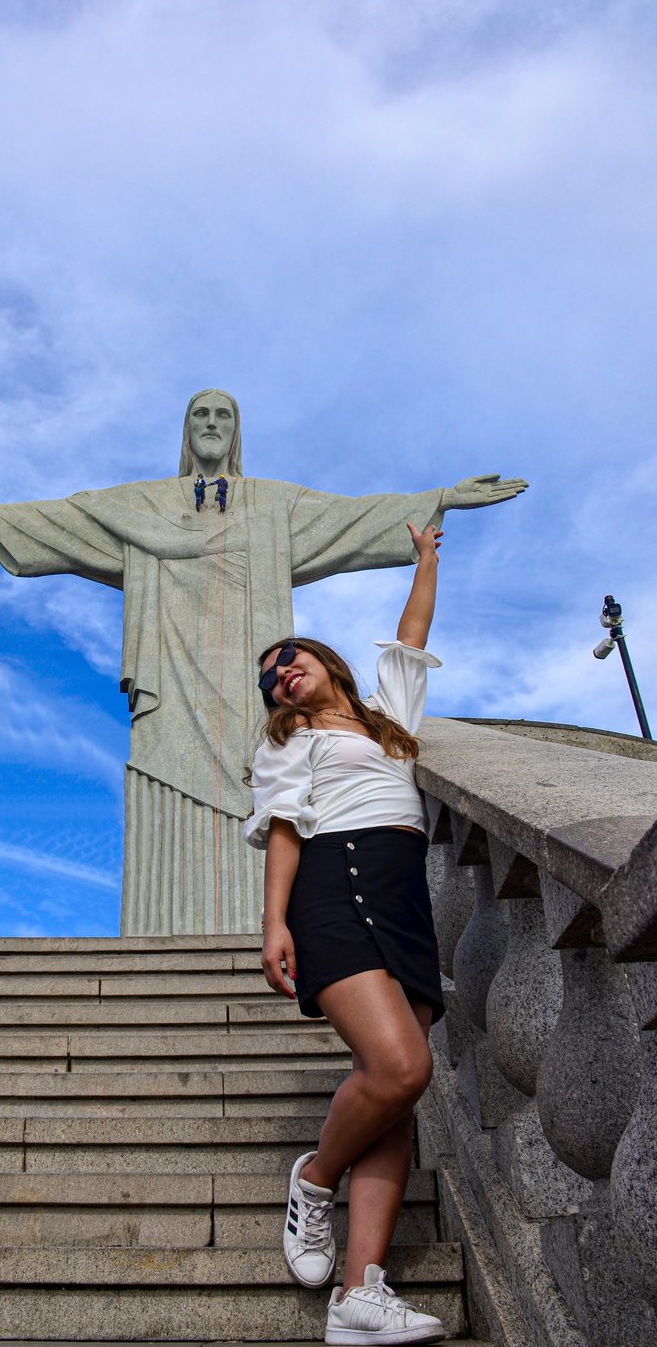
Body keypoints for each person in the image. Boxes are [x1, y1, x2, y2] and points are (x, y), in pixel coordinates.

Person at [0, 387, 526, 936]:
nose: (212, 424)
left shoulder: (274, 504)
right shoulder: (141, 506)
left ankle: (267, 922)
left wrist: (440, 500)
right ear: (186, 430)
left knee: (267, 778)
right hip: (171, 678)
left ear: (237, 431)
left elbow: (351, 516)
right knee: (190, 774)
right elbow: (67, 516)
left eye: (224, 415)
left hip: (251, 693)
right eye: (201, 415)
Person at [243, 520, 447, 1345]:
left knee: (393, 1097)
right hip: (337, 886)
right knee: (402, 1066)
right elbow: (285, 828)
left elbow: (412, 635)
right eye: (269, 679)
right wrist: (274, 923)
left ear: (325, 659)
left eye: (289, 657)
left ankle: (361, 1293)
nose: (281, 675)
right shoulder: (291, 739)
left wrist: (425, 559)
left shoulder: (387, 717)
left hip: (405, 900)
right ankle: (315, 1178)